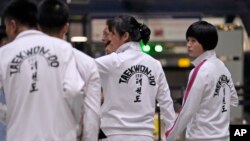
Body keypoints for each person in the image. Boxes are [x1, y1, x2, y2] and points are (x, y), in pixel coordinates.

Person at [0, 0, 85, 141]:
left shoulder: (4, 53)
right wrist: (72, 121)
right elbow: (74, 90)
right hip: (60, 136)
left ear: (12, 25)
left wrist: (7, 115)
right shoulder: (62, 48)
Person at [95, 15, 175, 141]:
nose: (110, 39)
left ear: (125, 36)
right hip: (145, 136)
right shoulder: (155, 64)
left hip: (114, 135)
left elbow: (82, 66)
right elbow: (166, 102)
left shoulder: (112, 61)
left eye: (113, 35)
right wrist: (172, 133)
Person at [37, 0, 101, 140]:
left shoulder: (26, 61)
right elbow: (91, 117)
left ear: (38, 27)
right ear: (66, 27)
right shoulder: (86, 63)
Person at [165, 21, 239, 141]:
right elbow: (233, 100)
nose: (188, 45)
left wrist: (169, 136)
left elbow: (187, 111)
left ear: (206, 42)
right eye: (188, 40)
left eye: (193, 41)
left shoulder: (200, 71)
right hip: (224, 136)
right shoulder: (222, 67)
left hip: (201, 137)